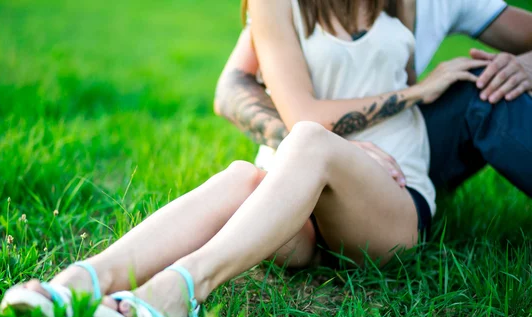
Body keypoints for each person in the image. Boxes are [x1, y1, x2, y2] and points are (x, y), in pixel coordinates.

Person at [0, 0, 487, 317]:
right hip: (297, 207)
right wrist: (414, 93)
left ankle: (178, 290)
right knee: (243, 175)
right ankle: (82, 282)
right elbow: (289, 110)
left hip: (386, 202)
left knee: (313, 143)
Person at [215, 0, 532, 197]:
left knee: (489, 82)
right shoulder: (295, 6)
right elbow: (232, 90)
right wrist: (324, 151)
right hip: (317, 140)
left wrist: (527, 65)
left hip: (404, 144)